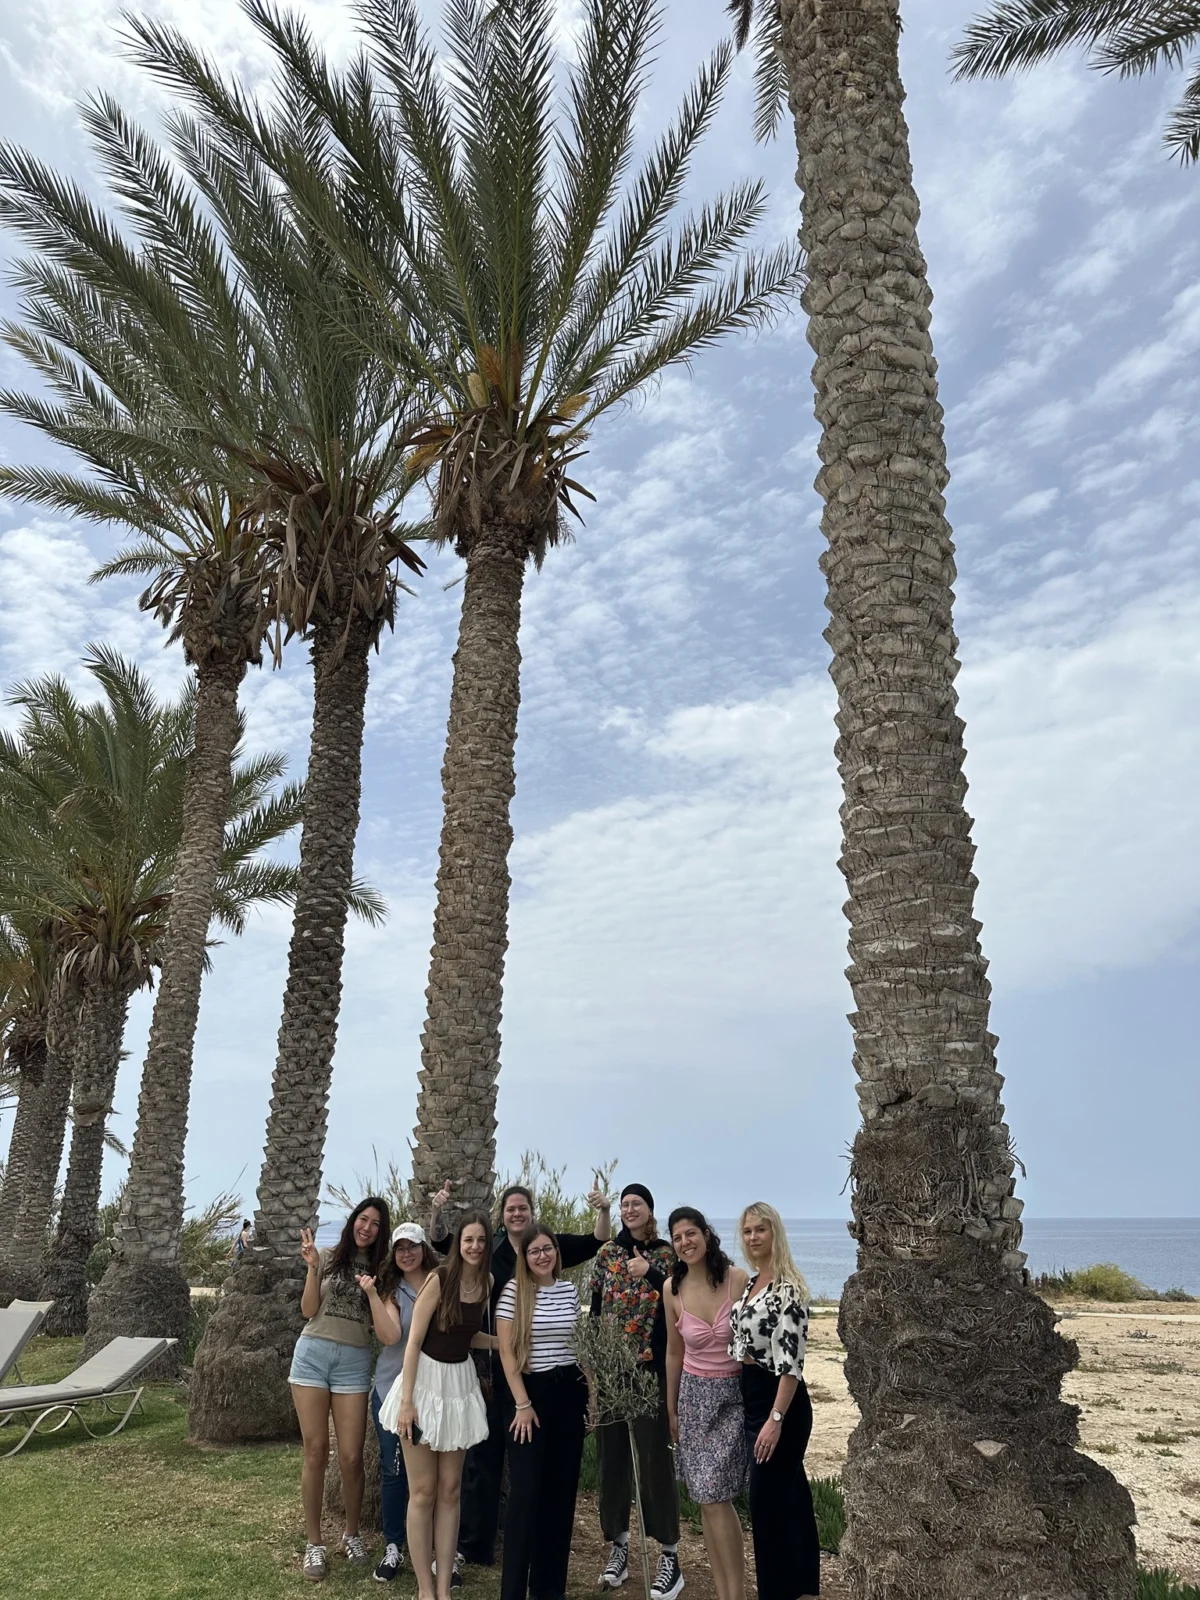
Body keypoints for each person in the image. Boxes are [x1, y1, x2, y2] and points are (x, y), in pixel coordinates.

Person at [428, 1173, 612, 1571]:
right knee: (483, 1456)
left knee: (530, 1469)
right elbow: (445, 1245)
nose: (517, 1214)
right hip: (492, 1367)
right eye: (510, 1209)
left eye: (523, 1208)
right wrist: (437, 1211)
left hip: (536, 1376)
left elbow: (596, 1241)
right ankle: (474, 1545)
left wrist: (604, 1210)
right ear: (502, 1215)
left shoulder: (546, 1245)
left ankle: (528, 1548)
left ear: (531, 1213)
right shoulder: (489, 1251)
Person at [380, 1211, 495, 1600]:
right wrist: (407, 1403)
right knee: (423, 1492)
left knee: (450, 1490)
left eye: (481, 1240)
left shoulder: (487, 1282)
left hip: (458, 1385)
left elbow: (465, 1335)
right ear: (458, 1244)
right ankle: (425, 1590)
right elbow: (414, 1341)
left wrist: (504, 1342)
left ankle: (443, 1589)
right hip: (424, 1384)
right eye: (468, 1240)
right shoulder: (439, 1279)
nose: (474, 1247)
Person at [588, 1183, 683, 1600]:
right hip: (612, 1372)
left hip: (650, 1371)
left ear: (650, 1209)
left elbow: (681, 1300)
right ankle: (619, 1547)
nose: (629, 1210)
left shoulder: (666, 1254)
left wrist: (653, 1274)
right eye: (625, 1204)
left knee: (653, 1460)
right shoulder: (608, 1253)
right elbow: (595, 1308)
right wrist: (593, 1367)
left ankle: (670, 1554)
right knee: (612, 1461)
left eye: (636, 1204)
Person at [290, 1195, 391, 1583]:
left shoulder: (382, 1269)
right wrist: (311, 1267)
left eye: (376, 1224)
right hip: (313, 1355)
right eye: (363, 1219)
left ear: (381, 1231)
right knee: (316, 1451)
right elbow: (308, 1310)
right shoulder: (328, 1256)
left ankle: (352, 1533)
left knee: (351, 1457)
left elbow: (383, 1322)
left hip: (353, 1361)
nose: (367, 1227)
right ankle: (314, 1542)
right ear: (353, 1221)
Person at [729, 1202, 820, 1600]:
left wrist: (776, 1418)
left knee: (767, 1503)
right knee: (789, 1498)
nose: (753, 1237)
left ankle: (780, 1591)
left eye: (760, 1229)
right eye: (748, 1231)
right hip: (754, 1398)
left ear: (774, 1233)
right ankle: (803, 1590)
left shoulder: (788, 1288)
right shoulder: (752, 1283)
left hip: (781, 1401)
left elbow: (792, 1364)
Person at [495, 1223, 587, 1600]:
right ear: (525, 1256)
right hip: (530, 1395)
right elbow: (506, 1351)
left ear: (556, 1252)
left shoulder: (569, 1291)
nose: (542, 1256)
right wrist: (522, 1403)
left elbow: (580, 1345)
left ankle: (549, 1589)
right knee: (526, 1495)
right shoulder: (513, 1292)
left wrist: (593, 1396)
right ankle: (514, 1591)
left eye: (548, 1248)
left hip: (570, 1393)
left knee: (561, 1494)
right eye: (534, 1250)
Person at [664, 1208, 749, 1600]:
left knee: (717, 1497)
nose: (685, 1242)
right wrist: (671, 1409)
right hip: (694, 1399)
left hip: (733, 1398)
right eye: (677, 1237)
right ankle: (724, 1592)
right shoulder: (672, 1289)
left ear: (706, 1234)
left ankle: (737, 1594)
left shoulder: (737, 1279)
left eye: (691, 1233)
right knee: (706, 1500)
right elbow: (674, 1352)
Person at [358, 1221, 439, 1584]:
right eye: (400, 1248)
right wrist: (372, 1295)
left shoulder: (441, 1282)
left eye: (413, 1246)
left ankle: (439, 1549)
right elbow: (391, 1337)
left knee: (438, 1478)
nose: (407, 1253)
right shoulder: (391, 1291)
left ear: (424, 1248)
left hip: (437, 1393)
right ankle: (394, 1545)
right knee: (394, 1471)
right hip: (393, 1392)